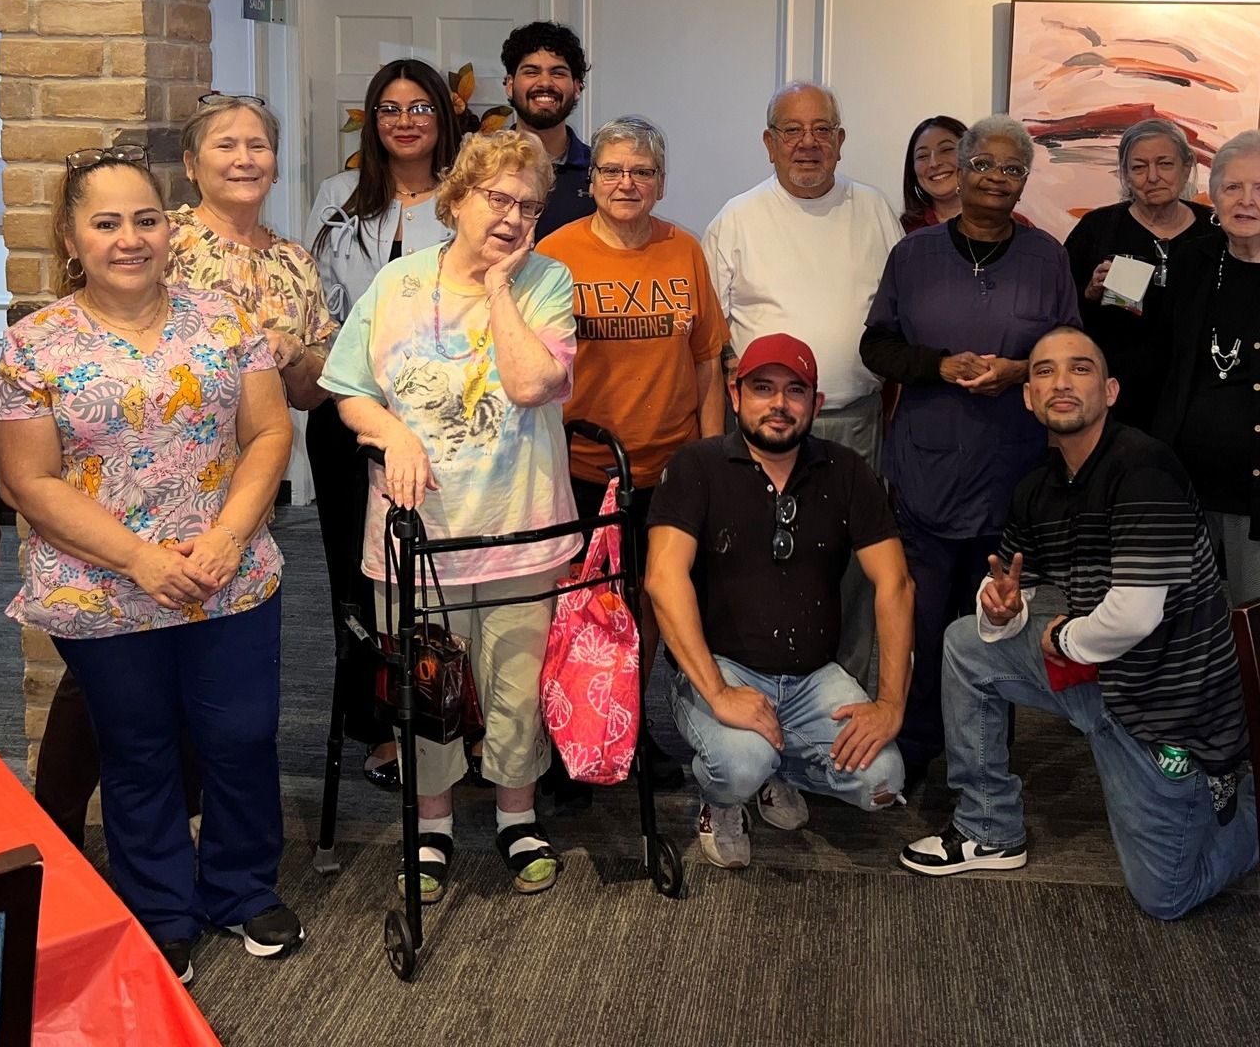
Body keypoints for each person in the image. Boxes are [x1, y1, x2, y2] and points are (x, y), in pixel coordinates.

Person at [0, 145, 301, 985]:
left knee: (241, 737)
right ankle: (159, 907)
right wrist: (139, 560)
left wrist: (230, 536)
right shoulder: (34, 348)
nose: (130, 239)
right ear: (70, 236)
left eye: (147, 219)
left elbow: (270, 432)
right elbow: (27, 478)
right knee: (138, 749)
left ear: (169, 228)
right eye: (106, 223)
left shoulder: (225, 322)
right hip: (104, 592)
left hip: (227, 575)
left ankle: (240, 887)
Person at [33, 93, 336, 847]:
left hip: (232, 501)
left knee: (221, 698)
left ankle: (200, 826)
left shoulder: (293, 260)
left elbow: (307, 389)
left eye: (258, 145)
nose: (244, 159)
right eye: (225, 145)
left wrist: (289, 357)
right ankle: (60, 835)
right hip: (128, 516)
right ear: (191, 165)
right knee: (112, 703)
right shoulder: (164, 242)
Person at [901, 327, 1257, 919]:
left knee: (1166, 895)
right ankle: (989, 829)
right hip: (1104, 680)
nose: (1060, 381)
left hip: (1168, 709)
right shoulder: (1039, 489)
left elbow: (1136, 613)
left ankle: (1240, 796)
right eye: (1043, 371)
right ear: (1028, 396)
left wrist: (1063, 638)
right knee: (966, 642)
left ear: (1111, 391)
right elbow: (1010, 582)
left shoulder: (1144, 467)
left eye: (1080, 369)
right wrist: (1000, 605)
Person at [319, 130, 579, 901]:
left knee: (515, 689)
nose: (512, 216)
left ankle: (515, 815)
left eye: (528, 205)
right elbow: (346, 387)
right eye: (497, 198)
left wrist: (500, 285)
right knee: (422, 687)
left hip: (521, 530)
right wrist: (391, 430)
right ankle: (430, 825)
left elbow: (534, 384)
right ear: (456, 199)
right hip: (414, 539)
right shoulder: (397, 285)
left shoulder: (550, 281)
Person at [862, 113, 1079, 790]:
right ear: (961, 168)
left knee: (992, 627)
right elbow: (877, 347)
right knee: (923, 625)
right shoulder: (915, 255)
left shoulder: (1047, 258)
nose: (996, 179)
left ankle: (983, 764)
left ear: (1023, 181)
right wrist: (939, 366)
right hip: (924, 477)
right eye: (983, 164)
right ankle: (918, 751)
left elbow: (1066, 353)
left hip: (1006, 477)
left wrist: (1018, 373)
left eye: (1012, 169)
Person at [647, 334, 915, 869]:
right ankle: (722, 800)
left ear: (815, 404)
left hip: (814, 676)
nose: (779, 404)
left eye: (795, 391)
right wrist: (720, 693)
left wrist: (890, 705)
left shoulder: (846, 471)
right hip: (721, 670)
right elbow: (662, 578)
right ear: (735, 393)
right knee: (740, 762)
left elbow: (896, 585)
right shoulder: (697, 466)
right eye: (763, 388)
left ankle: (778, 772)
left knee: (883, 779)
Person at [536, 115, 726, 793]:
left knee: (647, 608)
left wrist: (708, 457)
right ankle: (561, 738)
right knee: (577, 610)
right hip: (580, 470)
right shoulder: (556, 253)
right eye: (613, 170)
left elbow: (707, 361)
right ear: (591, 182)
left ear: (661, 184)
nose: (626, 183)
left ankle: (626, 724)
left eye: (641, 172)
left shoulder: (684, 251)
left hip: (668, 469)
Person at [703, 81, 903, 691]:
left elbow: (896, 320)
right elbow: (710, 344)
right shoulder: (736, 218)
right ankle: (763, 704)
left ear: (841, 142)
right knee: (767, 571)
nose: (807, 144)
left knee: (853, 574)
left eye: (822, 130)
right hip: (765, 430)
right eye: (792, 131)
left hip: (855, 422)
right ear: (769, 143)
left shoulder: (872, 209)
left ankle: (850, 707)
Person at [304, 59, 463, 789]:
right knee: (361, 579)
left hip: (441, 421)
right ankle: (379, 724)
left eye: (421, 107)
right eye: (390, 108)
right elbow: (316, 304)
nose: (406, 121)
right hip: (351, 415)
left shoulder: (466, 197)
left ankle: (447, 719)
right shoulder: (338, 197)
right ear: (372, 121)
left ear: (443, 118)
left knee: (439, 576)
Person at [1153, 128, 1260, 603]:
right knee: (1192, 626)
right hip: (1189, 485)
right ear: (1213, 196)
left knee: (1250, 622)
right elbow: (1165, 362)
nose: (1246, 200)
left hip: (1253, 496)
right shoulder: (1195, 261)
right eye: (1233, 187)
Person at [1063, 118, 1203, 431]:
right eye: (1139, 167)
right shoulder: (1097, 229)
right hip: (1114, 398)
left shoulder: (1213, 230)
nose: (1153, 177)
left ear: (1186, 166)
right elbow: (1060, 313)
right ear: (1125, 174)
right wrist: (1089, 294)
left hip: (1195, 398)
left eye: (1165, 164)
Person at [501, 21, 592, 239]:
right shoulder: (481, 167)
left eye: (558, 73)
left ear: (577, 87)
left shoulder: (600, 171)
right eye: (531, 72)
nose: (545, 83)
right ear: (510, 85)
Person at [900, 115, 967, 233]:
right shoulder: (903, 230)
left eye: (946, 149)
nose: (934, 163)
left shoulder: (1003, 223)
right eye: (922, 156)